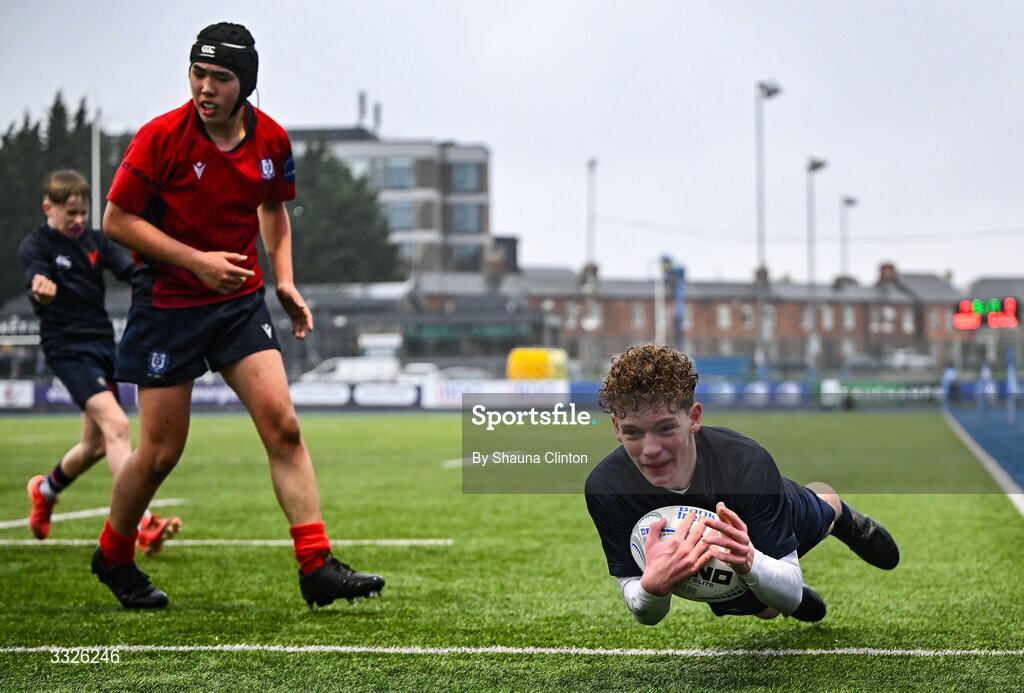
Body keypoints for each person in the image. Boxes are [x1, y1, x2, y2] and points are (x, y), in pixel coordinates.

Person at [92, 21, 385, 609]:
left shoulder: (271, 140)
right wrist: (196, 262)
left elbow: (273, 210)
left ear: (244, 84)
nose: (205, 88)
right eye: (198, 74)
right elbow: (116, 222)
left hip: (238, 304)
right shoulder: (159, 138)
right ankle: (113, 555)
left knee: (284, 427)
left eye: (219, 77)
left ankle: (315, 564)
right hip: (169, 309)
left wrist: (284, 279)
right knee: (159, 454)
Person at [584, 344, 899, 625]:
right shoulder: (607, 488)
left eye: (666, 428)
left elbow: (789, 593)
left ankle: (832, 506)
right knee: (766, 609)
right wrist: (653, 588)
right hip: (718, 569)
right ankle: (759, 587)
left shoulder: (747, 462)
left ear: (693, 417)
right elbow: (643, 608)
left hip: (780, 510)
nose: (650, 449)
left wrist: (750, 559)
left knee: (811, 530)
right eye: (634, 433)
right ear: (616, 427)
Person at [19, 170, 181, 554]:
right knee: (118, 425)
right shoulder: (37, 245)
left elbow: (133, 270)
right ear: (49, 208)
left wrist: (173, 268)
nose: (77, 220)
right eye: (70, 212)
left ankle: (44, 490)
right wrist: (40, 290)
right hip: (67, 349)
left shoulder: (95, 242)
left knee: (94, 445)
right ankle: (141, 522)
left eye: (83, 212)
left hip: (103, 347)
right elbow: (36, 280)